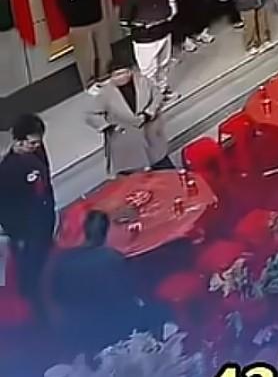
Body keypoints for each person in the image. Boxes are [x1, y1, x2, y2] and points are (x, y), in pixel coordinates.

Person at [49, 210, 151, 354]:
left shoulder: (65, 260)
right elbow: (129, 292)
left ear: (85, 230)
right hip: (111, 325)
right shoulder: (114, 258)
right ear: (106, 232)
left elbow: (58, 296)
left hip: (77, 328)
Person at [0, 114, 55, 306]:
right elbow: (5, 207)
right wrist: (18, 233)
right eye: (32, 143)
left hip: (44, 220)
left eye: (38, 142)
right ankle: (33, 302)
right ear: (18, 141)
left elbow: (46, 180)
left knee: (45, 261)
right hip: (25, 229)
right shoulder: (7, 169)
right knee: (30, 270)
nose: (37, 146)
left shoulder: (37, 152)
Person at [84, 58, 171, 175]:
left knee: (163, 167)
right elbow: (91, 115)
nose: (121, 77)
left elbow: (157, 96)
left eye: (123, 73)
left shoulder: (143, 82)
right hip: (125, 138)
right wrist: (109, 126)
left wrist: (149, 112)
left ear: (130, 72)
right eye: (116, 75)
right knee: (134, 174)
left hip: (149, 131)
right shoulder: (105, 93)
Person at [119, 0, 175, 98]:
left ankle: (163, 89)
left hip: (164, 30)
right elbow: (125, 18)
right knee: (148, 70)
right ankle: (152, 97)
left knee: (164, 64)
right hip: (146, 37)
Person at [56, 0, 111, 90]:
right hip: (78, 25)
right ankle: (89, 83)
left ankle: (104, 75)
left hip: (97, 19)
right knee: (85, 55)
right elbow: (64, 5)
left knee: (103, 49)